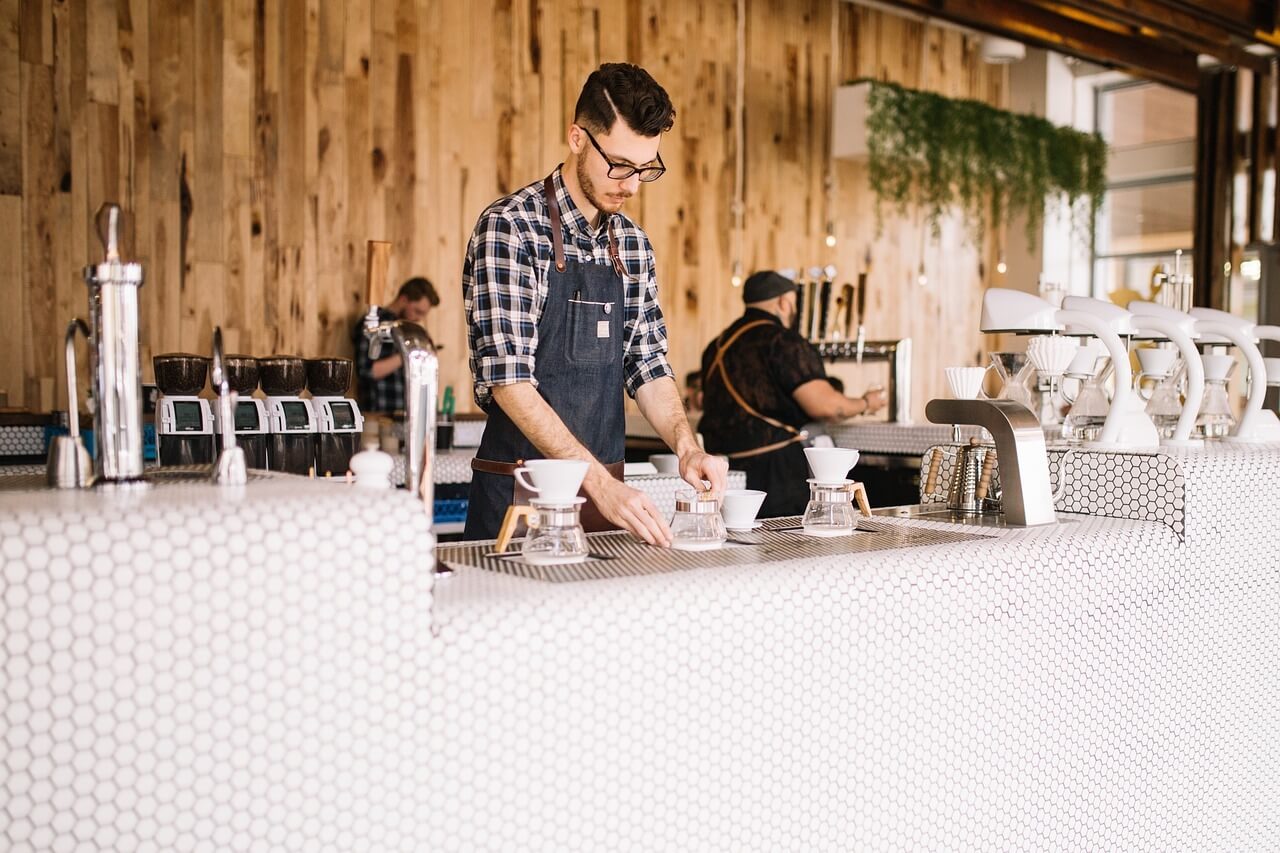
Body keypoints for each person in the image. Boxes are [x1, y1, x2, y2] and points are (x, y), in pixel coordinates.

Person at [462, 62, 727, 545]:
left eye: (647, 170)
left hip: (607, 503)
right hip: (521, 503)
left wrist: (687, 447)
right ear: (578, 138)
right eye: (621, 165)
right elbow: (509, 383)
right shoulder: (511, 229)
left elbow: (646, 364)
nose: (631, 184)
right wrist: (598, 483)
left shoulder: (632, 244)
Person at [698, 270, 887, 518]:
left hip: (723, 472)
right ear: (784, 303)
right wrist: (866, 402)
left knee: (735, 547)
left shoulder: (717, 345)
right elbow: (828, 407)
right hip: (775, 473)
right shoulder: (782, 341)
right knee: (784, 548)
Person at [352, 277, 439, 414]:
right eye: (417, 311)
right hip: (377, 415)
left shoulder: (407, 329)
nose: (419, 319)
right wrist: (409, 353)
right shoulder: (374, 325)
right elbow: (366, 371)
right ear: (404, 299)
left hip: (405, 415)